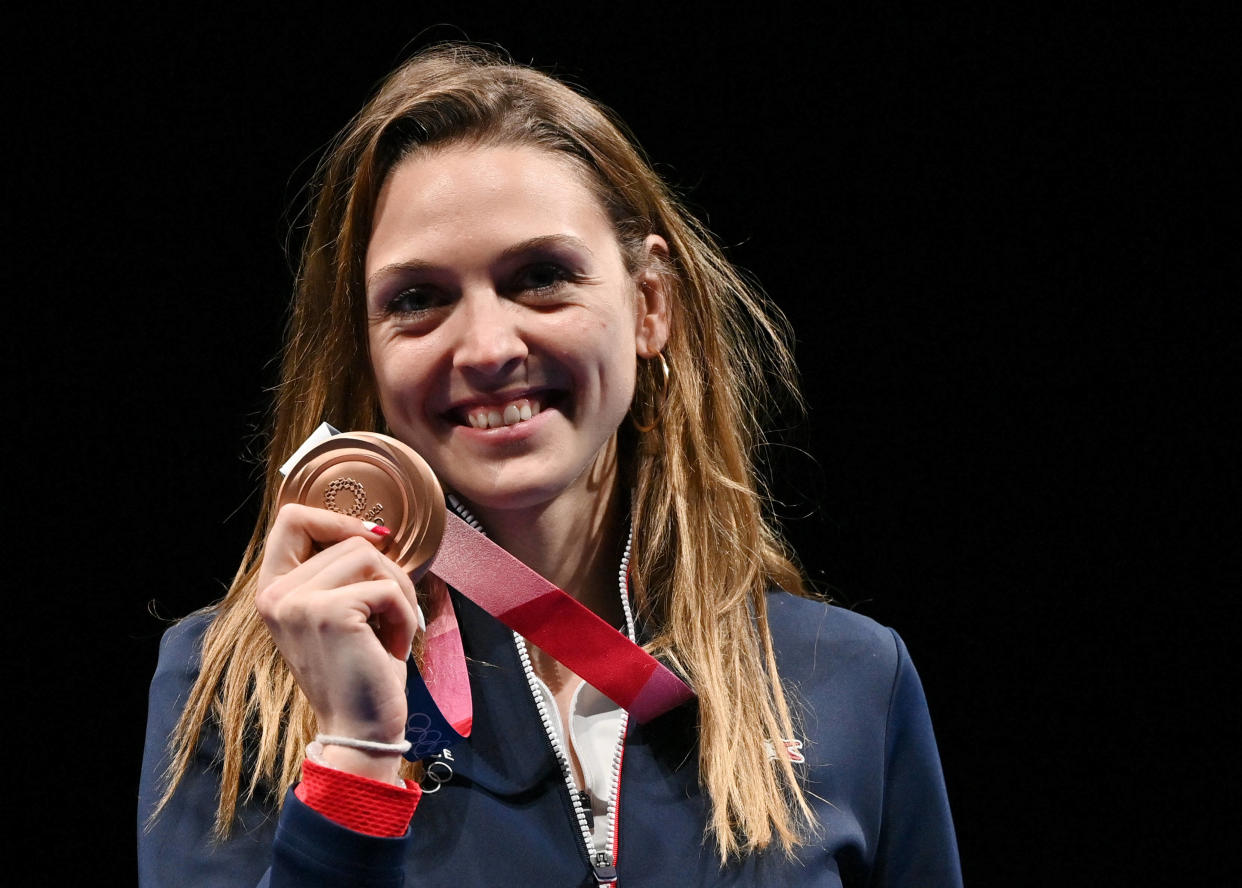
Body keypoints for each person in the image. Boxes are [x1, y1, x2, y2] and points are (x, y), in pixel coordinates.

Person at [138, 44, 961, 887]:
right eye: (417, 299)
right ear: (368, 347)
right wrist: (354, 752)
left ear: (650, 304)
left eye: (541, 278)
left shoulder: (847, 678)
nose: (489, 348)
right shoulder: (238, 692)